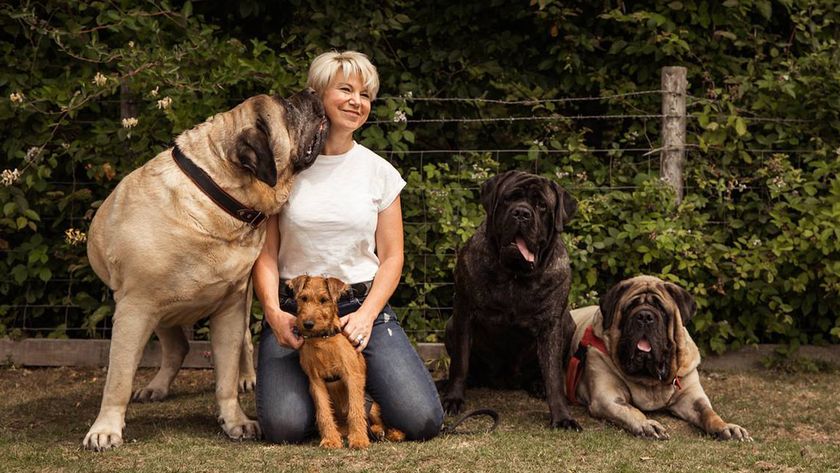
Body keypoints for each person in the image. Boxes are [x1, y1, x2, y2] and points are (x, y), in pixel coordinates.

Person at [252, 50, 444, 443]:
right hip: (296, 312)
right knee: (284, 427)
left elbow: (393, 257)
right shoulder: (284, 168)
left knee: (423, 420)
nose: (357, 101)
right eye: (346, 90)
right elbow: (265, 254)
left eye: (366, 94)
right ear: (318, 94)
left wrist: (368, 314)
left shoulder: (379, 172)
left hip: (359, 309)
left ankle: (364, 398)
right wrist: (272, 312)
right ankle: (323, 399)